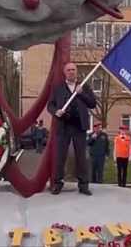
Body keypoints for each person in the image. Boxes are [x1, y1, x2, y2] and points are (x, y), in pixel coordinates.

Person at [47, 62, 97, 195]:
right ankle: (57, 183)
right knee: (60, 157)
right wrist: (55, 111)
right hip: (63, 127)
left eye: (73, 69)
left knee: (81, 156)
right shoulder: (58, 88)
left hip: (79, 126)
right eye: (68, 70)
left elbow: (92, 104)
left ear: (76, 71)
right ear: (65, 72)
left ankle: (83, 185)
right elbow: (50, 105)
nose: (71, 72)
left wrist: (81, 94)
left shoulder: (84, 86)